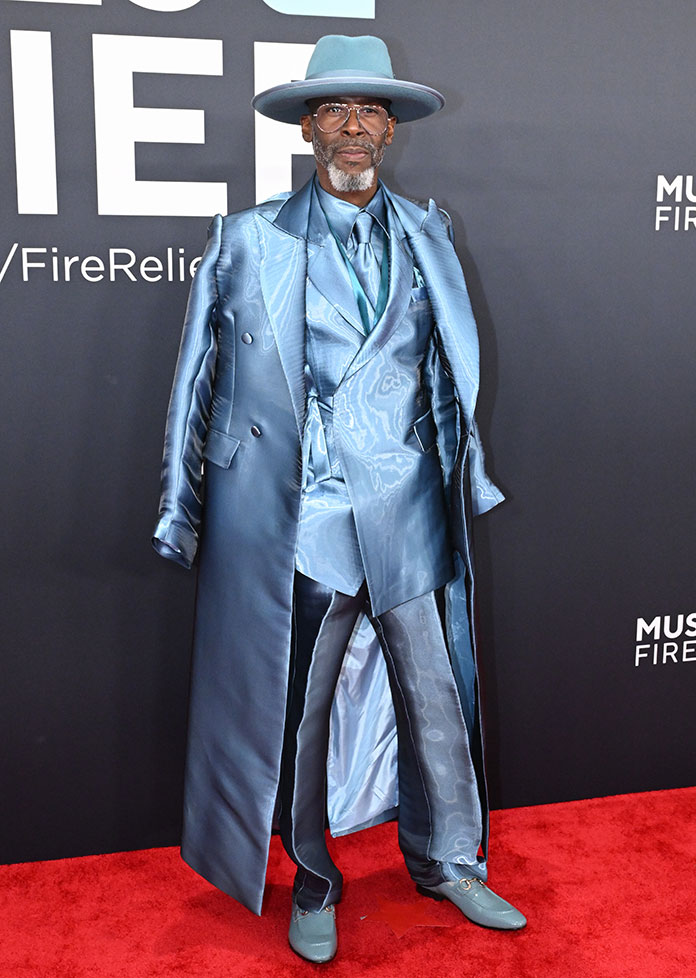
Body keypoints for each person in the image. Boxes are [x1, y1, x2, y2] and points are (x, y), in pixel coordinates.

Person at [153, 33, 525, 963]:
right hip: (306, 515)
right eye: (336, 110)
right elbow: (195, 375)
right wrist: (179, 504)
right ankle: (312, 874)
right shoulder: (249, 237)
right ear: (308, 126)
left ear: (389, 132)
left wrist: (461, 476)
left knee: (436, 697)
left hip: (407, 502)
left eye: (371, 112)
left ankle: (449, 859)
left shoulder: (431, 234)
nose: (353, 127)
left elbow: (447, 372)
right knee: (298, 711)